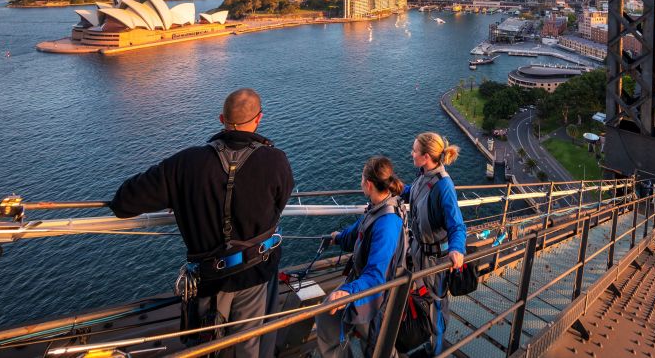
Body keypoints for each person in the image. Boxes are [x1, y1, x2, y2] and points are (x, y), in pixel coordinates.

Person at [110, 88, 294, 358]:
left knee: (209, 347)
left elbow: (123, 203)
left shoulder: (185, 163)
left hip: (208, 279)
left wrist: (182, 196)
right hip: (257, 273)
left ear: (221, 119)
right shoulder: (275, 160)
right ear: (259, 119)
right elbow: (280, 204)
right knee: (251, 345)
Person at [315, 156, 407, 358]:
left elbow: (377, 275)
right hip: (364, 285)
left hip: (376, 293)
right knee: (335, 323)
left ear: (369, 184)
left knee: (377, 347)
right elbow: (356, 233)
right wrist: (337, 238)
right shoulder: (377, 208)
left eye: (361, 179)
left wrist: (348, 292)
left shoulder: (387, 224)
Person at [403, 132, 467, 356]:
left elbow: (457, 225)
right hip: (419, 253)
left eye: (415, 151)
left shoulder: (444, 186)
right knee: (424, 301)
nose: (411, 154)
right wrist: (397, 189)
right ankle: (424, 340)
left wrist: (457, 250)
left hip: (435, 262)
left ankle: (436, 351)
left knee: (437, 306)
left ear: (427, 156)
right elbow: (415, 193)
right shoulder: (424, 175)